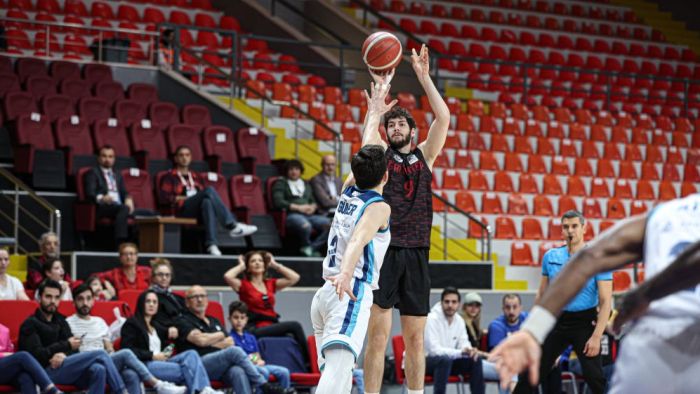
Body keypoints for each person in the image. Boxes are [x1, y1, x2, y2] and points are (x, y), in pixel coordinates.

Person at [355, 44, 451, 394]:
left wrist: (424, 78)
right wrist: (376, 110)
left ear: (412, 132)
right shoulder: (380, 157)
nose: (395, 127)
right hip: (385, 252)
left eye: (400, 123)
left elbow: (444, 119)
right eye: (390, 123)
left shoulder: (426, 155)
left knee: (415, 339)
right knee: (377, 338)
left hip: (418, 254)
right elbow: (367, 143)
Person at [310, 144, 391, 394]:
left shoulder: (346, 190)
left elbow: (366, 152)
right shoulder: (379, 207)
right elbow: (358, 239)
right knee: (336, 376)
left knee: (339, 375)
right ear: (386, 176)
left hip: (326, 293)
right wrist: (346, 273)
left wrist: (374, 113)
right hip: (349, 290)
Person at [508, 211, 612, 394]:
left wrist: (596, 337)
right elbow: (542, 294)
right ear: (561, 230)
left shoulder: (598, 258)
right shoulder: (551, 257)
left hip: (585, 322)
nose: (570, 231)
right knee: (531, 374)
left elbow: (605, 302)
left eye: (574, 226)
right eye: (566, 227)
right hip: (556, 320)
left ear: (584, 228)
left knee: (594, 377)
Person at [66, 283, 187, 394]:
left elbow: (109, 348)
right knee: (124, 354)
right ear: (74, 302)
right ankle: (158, 385)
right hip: (83, 366)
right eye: (80, 299)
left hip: (105, 362)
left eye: (88, 299)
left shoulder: (100, 322)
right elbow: (69, 354)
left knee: (130, 374)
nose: (85, 303)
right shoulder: (67, 323)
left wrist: (113, 358)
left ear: (93, 301)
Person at [19, 279, 128, 394]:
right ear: (39, 298)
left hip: (66, 369)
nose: (53, 301)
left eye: (57, 297)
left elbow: (74, 350)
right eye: (48, 297)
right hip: (43, 373)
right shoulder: (30, 324)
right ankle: (121, 391)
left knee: (98, 369)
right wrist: (64, 347)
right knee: (100, 354)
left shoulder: (61, 320)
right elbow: (35, 356)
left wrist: (63, 354)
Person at [177, 286, 289, 394]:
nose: (200, 299)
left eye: (202, 296)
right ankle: (264, 385)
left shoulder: (214, 321)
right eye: (195, 297)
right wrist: (220, 335)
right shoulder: (183, 320)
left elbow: (229, 341)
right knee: (234, 351)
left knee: (237, 371)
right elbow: (201, 341)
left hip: (223, 365)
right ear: (187, 302)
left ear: (207, 300)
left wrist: (209, 341)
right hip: (199, 365)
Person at [159, 145, 257, 256]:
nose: (184, 158)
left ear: (191, 158)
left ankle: (212, 245)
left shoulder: (196, 176)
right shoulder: (170, 176)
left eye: (187, 155)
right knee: (209, 190)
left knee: (207, 202)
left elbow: (203, 196)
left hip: (198, 211)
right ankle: (232, 225)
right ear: (176, 158)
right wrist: (185, 198)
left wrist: (196, 198)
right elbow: (164, 198)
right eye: (181, 155)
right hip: (181, 210)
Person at [120, 290, 223, 394]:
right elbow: (127, 350)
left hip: (162, 362)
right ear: (141, 303)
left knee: (191, 354)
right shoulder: (132, 323)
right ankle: (203, 390)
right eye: (148, 301)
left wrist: (168, 347)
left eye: (155, 302)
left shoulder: (156, 325)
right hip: (144, 364)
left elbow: (169, 341)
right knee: (188, 370)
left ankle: (203, 390)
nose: (152, 305)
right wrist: (152, 356)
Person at [223, 250, 309, 363]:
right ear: (248, 267)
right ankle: (309, 362)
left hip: (272, 325)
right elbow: (227, 276)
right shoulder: (243, 285)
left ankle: (298, 366)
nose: (257, 263)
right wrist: (241, 266)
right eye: (253, 261)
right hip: (255, 328)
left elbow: (295, 278)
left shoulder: (270, 284)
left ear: (265, 265)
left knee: (290, 337)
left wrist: (274, 264)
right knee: (295, 326)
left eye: (260, 260)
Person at [424, 287, 485, 394]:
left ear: (459, 304)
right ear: (441, 302)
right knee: (444, 360)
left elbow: (464, 342)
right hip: (426, 362)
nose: (450, 305)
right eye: (447, 302)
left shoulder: (459, 320)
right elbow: (434, 351)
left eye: (454, 302)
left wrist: (469, 350)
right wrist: (460, 352)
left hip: (448, 362)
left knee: (475, 360)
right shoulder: (431, 319)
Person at [229, 300, 295, 392]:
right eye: (236, 317)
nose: (239, 321)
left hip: (258, 365)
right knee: (264, 372)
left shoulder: (251, 337)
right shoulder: (229, 338)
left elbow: (257, 355)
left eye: (242, 317)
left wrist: (256, 359)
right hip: (246, 367)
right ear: (229, 319)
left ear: (246, 320)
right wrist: (254, 359)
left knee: (284, 372)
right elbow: (238, 359)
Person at [272, 159, 331, 256]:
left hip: (309, 215)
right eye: (291, 169)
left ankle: (311, 248)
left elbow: (313, 200)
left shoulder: (305, 183)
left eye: (296, 169)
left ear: (300, 171)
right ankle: (308, 247)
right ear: (287, 171)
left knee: (331, 225)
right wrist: (298, 208)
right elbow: (278, 202)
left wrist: (313, 207)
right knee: (305, 226)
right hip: (292, 215)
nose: (294, 171)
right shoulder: (281, 183)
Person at [84, 145, 134, 244]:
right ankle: (120, 243)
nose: (107, 159)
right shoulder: (93, 173)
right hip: (103, 207)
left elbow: (123, 191)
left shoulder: (117, 173)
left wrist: (128, 198)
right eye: (104, 156)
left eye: (110, 156)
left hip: (118, 205)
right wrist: (102, 198)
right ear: (98, 158)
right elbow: (90, 193)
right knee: (123, 209)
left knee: (148, 214)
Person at [149, 258, 186, 341]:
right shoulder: (150, 297)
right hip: (170, 334)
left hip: (185, 329)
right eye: (160, 275)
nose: (164, 278)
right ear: (153, 277)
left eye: (167, 275)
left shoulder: (176, 297)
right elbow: (152, 321)